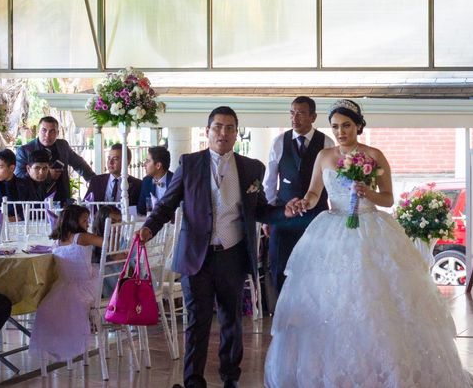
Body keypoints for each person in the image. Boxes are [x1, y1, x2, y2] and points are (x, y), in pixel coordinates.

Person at [267, 99, 473, 387]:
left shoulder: (374, 155)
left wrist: (367, 193)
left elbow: (387, 198)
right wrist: (305, 202)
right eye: (336, 126)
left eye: (346, 126)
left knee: (374, 299)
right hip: (334, 226)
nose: (340, 132)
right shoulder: (324, 156)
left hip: (370, 227)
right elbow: (315, 192)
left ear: (358, 126)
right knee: (333, 299)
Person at [137, 106, 286, 388]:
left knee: (231, 321)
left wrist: (284, 213)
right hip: (197, 255)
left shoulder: (251, 168)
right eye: (218, 127)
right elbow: (167, 203)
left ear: (236, 133)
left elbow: (262, 209)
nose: (224, 133)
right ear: (207, 132)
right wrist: (149, 228)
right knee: (197, 321)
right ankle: (193, 380)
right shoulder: (189, 163)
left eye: (230, 128)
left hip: (233, 254)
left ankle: (231, 378)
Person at [262, 96, 334, 296]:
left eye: (301, 113)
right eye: (292, 113)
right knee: (279, 266)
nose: (295, 118)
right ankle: (282, 314)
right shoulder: (279, 142)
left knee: (315, 267)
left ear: (313, 117)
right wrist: (269, 215)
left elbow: (331, 179)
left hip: (316, 215)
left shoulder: (326, 142)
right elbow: (269, 181)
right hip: (284, 215)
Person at [29, 204, 101, 362]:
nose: (88, 224)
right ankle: (59, 346)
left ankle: (70, 345)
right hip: (65, 284)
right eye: (85, 220)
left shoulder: (82, 237)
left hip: (85, 284)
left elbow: (105, 242)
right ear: (73, 222)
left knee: (68, 305)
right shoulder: (59, 241)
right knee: (46, 308)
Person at [16, 116, 96, 204]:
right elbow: (20, 177)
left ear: (57, 133)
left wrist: (95, 181)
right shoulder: (24, 150)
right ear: (38, 131)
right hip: (36, 200)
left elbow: (80, 164)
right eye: (44, 130)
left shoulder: (63, 146)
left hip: (61, 198)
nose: (47, 135)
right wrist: (48, 175)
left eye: (52, 131)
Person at [84, 143, 141, 208]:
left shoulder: (137, 185)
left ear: (127, 162)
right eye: (109, 158)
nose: (110, 162)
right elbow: (86, 204)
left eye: (115, 159)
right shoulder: (96, 181)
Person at [137, 146, 175, 216]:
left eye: (148, 161)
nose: (144, 164)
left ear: (158, 165)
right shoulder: (146, 181)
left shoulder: (175, 181)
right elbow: (141, 209)